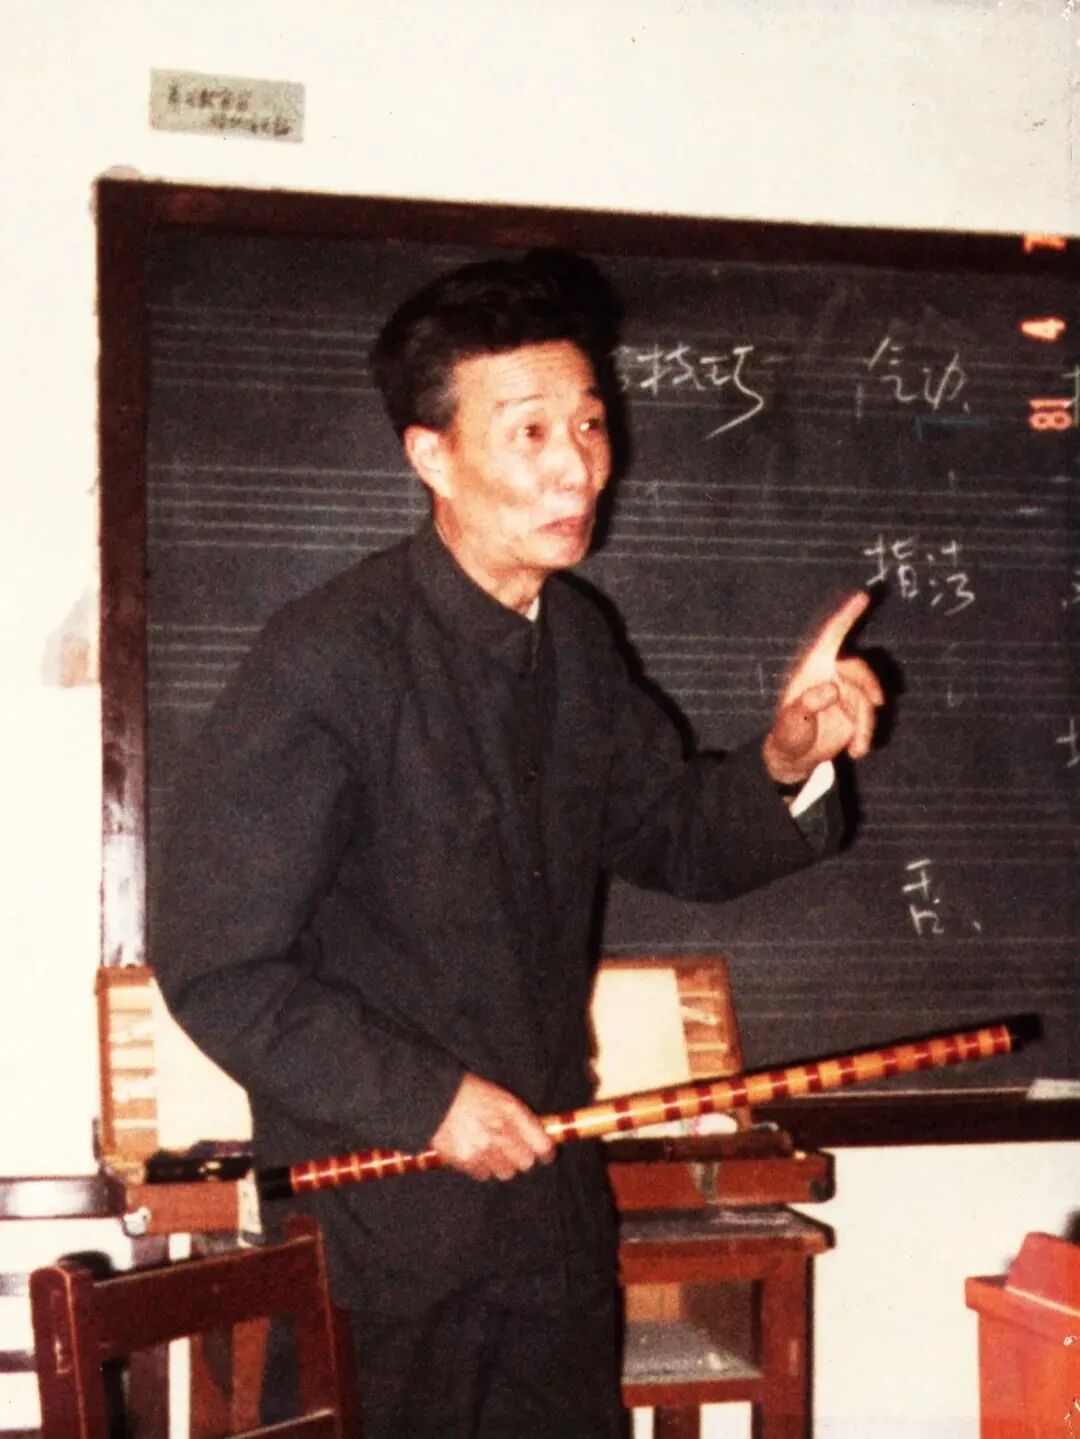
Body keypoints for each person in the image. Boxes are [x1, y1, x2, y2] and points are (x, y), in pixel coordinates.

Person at [152, 253, 883, 1438]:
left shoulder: (575, 642)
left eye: (590, 423)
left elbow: (675, 832)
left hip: (548, 1220)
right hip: (378, 1231)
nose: (576, 465)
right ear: (431, 454)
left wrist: (789, 757)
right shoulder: (326, 658)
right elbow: (218, 965)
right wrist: (429, 1101)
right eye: (530, 430)